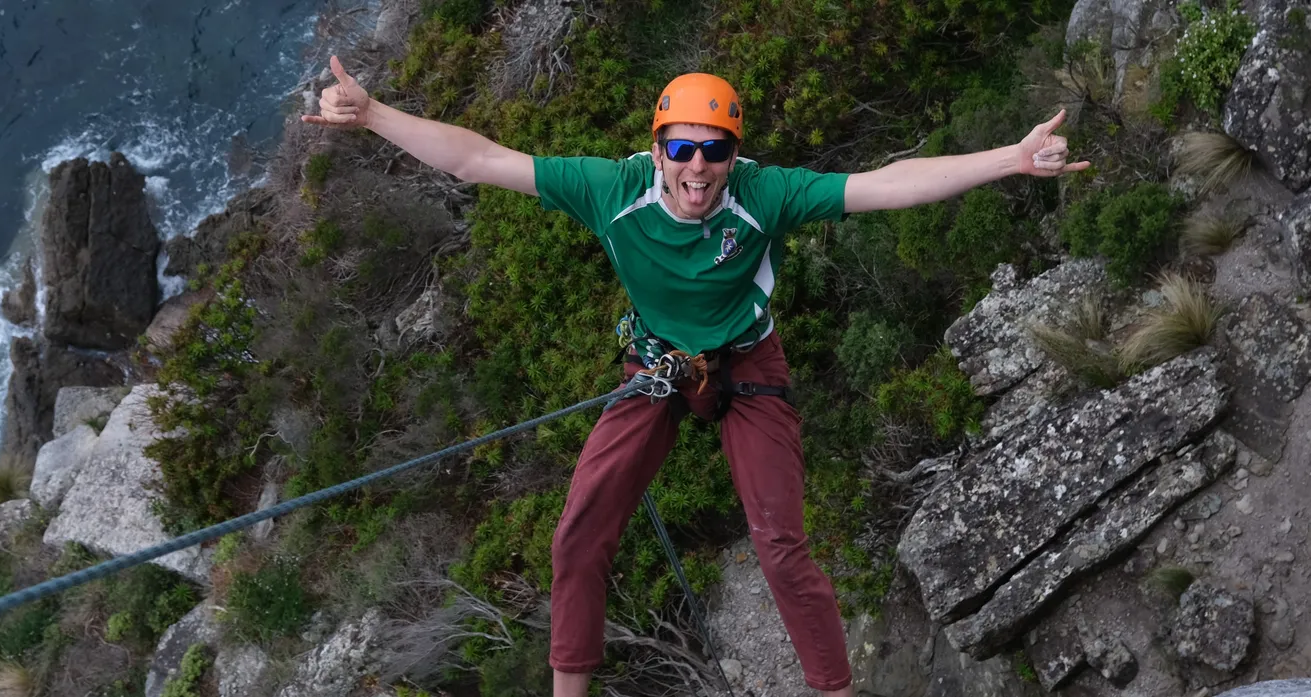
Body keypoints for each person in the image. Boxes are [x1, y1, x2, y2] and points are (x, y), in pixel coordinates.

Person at [303, 56, 1088, 697]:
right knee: (579, 532)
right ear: (657, 152)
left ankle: (834, 691)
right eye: (682, 149)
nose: (699, 167)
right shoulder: (611, 192)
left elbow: (885, 186)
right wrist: (374, 116)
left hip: (748, 362)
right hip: (657, 361)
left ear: (734, 157)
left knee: (780, 545)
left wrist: (1010, 161)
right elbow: (476, 159)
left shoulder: (762, 195)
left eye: (715, 151)